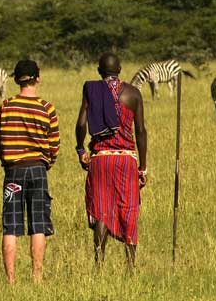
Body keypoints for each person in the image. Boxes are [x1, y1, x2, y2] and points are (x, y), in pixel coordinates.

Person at [75, 53, 148, 270]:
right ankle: (130, 266)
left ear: (99, 71)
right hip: (126, 160)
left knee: (101, 210)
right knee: (129, 209)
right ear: (120, 70)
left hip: (101, 159)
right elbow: (141, 131)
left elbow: (81, 123)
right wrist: (143, 167)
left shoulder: (92, 90)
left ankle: (99, 264)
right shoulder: (133, 94)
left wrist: (80, 149)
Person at [0, 59, 59, 284]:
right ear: (37, 78)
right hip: (38, 169)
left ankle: (11, 281)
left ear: (15, 80)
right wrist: (47, 162)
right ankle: (36, 277)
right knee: (38, 224)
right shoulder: (46, 107)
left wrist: (7, 162)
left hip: (13, 170)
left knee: (10, 226)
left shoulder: (6, 106)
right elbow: (54, 144)